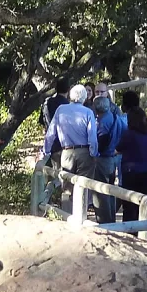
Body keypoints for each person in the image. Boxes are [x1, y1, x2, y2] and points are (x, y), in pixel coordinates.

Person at [41, 84, 98, 214]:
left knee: (66, 186)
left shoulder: (61, 110)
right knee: (84, 186)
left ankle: (67, 216)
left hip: (66, 152)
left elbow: (51, 133)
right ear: (84, 98)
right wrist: (93, 153)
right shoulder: (88, 112)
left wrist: (46, 151)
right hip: (84, 152)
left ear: (71, 96)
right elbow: (92, 137)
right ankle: (81, 216)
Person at [117, 103, 147, 224]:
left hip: (130, 171)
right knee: (143, 203)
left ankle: (129, 232)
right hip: (145, 169)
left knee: (129, 204)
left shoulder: (129, 134)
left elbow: (119, 148)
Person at [92, 84, 124, 223]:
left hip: (104, 157)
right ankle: (110, 216)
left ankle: (105, 220)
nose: (99, 93)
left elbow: (99, 142)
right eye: (97, 91)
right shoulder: (114, 116)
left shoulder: (101, 123)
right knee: (110, 189)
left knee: (101, 190)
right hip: (113, 156)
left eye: (101, 91)